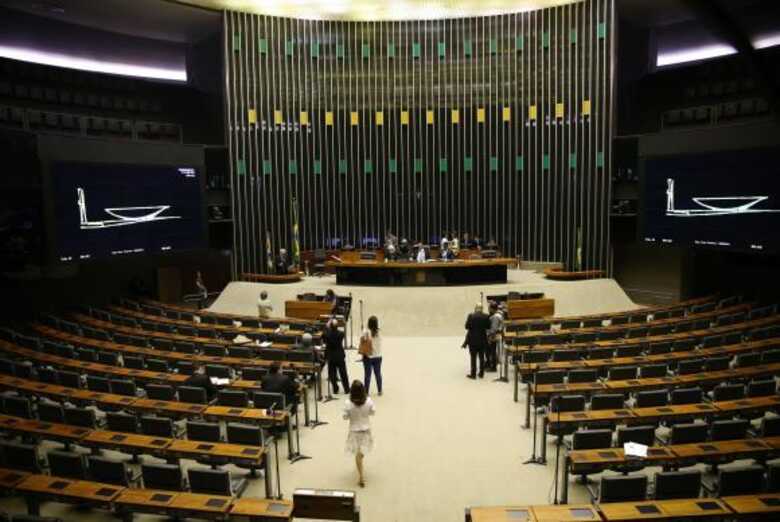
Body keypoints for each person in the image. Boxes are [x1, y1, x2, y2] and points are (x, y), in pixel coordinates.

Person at [343, 380, 375, 487]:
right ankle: (361, 475)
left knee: (358, 453)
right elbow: (372, 412)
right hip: (366, 430)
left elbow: (345, 417)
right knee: (361, 453)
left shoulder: (348, 403)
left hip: (354, 431)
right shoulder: (369, 401)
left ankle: (360, 474)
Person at [461, 302, 490, 379]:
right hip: (482, 339)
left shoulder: (471, 316)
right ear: (482, 309)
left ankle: (473, 374)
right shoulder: (486, 316)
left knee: (473, 357)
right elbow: (488, 326)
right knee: (481, 357)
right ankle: (481, 373)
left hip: (472, 340)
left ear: (475, 308)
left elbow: (467, 327)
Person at [323, 319, 350, 393]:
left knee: (332, 374)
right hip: (339, 355)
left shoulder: (327, 335)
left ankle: (335, 388)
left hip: (331, 356)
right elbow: (342, 333)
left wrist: (326, 326)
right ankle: (347, 389)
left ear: (330, 326)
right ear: (337, 326)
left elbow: (324, 334)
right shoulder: (341, 334)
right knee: (343, 373)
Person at [361, 316, 383, 396]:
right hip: (378, 356)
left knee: (367, 375)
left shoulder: (366, 332)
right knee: (378, 374)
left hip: (368, 357)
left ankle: (366, 392)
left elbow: (363, 340)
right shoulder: (379, 332)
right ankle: (380, 390)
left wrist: (363, 329)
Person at [486, 302, 504, 372]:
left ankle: (493, 367)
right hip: (496, 335)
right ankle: (492, 365)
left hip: (494, 336)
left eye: (489, 308)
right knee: (493, 351)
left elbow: (494, 329)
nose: (488, 309)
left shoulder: (495, 317)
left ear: (492, 309)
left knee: (492, 351)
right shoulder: (499, 314)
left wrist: (489, 336)